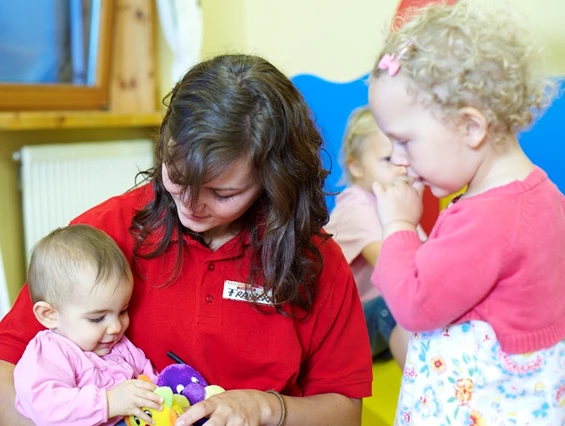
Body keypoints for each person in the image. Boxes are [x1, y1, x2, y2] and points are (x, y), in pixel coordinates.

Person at [0, 54, 373, 426]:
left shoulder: (314, 261)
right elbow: (9, 364)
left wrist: (264, 409)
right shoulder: (105, 233)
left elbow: (344, 411)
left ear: (274, 180)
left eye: (222, 193)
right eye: (177, 176)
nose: (191, 207)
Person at [368, 1, 565, 424]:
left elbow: (414, 305)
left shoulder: (488, 217)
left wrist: (398, 225)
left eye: (404, 141)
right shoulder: (542, 193)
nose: (398, 160)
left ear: (471, 127)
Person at [14, 224, 162, 426]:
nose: (116, 327)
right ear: (49, 315)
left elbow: (150, 378)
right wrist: (109, 402)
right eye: (97, 318)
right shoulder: (48, 352)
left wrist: (163, 392)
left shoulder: (119, 345)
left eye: (122, 311)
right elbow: (46, 408)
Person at [325, 106, 424, 368]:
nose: (402, 166)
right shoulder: (356, 208)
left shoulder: (394, 201)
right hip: (343, 334)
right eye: (388, 159)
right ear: (356, 167)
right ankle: (421, 387)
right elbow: (398, 270)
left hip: (375, 325)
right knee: (400, 304)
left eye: (406, 155)